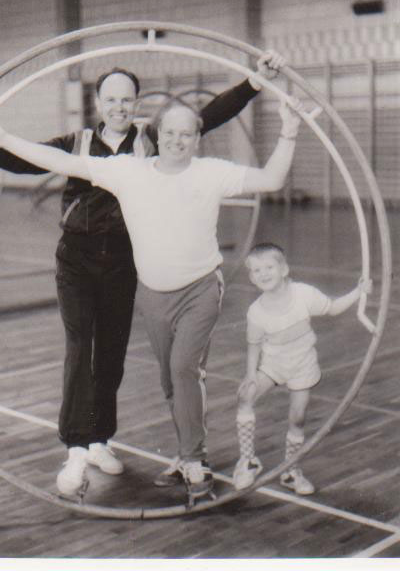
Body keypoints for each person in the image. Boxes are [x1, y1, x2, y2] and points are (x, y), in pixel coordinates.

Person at [0, 51, 285, 497]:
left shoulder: (151, 140)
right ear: (97, 102)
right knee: (81, 344)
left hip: (124, 263)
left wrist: (252, 84)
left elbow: (205, 117)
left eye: (126, 99)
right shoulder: (75, 143)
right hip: (76, 261)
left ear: (136, 103)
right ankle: (76, 447)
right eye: (111, 99)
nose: (118, 107)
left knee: (112, 351)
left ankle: (99, 438)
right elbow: (24, 160)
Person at [232, 242, 372, 494]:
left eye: (268, 267)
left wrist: (358, 291)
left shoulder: (303, 294)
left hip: (302, 366)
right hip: (273, 365)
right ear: (251, 278)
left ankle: (291, 470)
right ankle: (248, 461)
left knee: (297, 418)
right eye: (255, 270)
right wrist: (251, 374)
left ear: (284, 269)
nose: (262, 274)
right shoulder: (256, 312)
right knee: (245, 396)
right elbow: (253, 344)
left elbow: (332, 308)